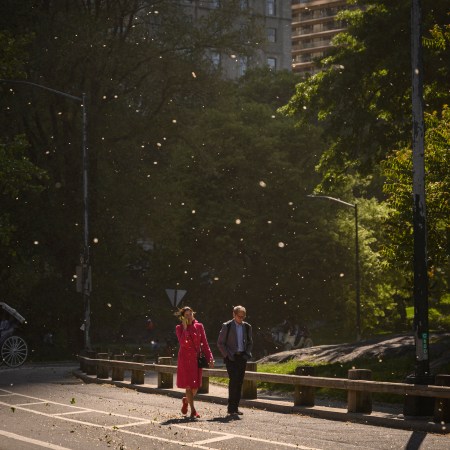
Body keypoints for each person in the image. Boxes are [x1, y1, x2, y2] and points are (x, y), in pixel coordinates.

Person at [175, 306, 214, 419]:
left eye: (190, 314)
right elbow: (182, 343)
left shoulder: (199, 326)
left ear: (193, 314)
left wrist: (210, 357)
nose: (189, 316)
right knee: (188, 386)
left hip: (196, 360)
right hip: (185, 360)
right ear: (182, 317)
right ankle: (193, 410)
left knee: (196, 387)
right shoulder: (179, 328)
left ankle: (186, 400)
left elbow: (205, 344)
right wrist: (185, 328)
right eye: (186, 315)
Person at [217, 305, 253, 416]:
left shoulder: (247, 327)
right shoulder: (227, 326)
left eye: (243, 317)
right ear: (234, 314)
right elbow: (220, 343)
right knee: (233, 381)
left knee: (239, 382)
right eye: (239, 316)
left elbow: (250, 342)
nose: (241, 319)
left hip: (242, 357)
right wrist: (227, 356)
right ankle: (231, 407)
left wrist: (247, 354)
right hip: (231, 357)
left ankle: (236, 407)